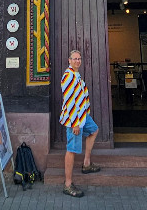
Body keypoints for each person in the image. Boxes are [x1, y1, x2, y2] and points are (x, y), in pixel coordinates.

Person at [59, 49, 101, 198]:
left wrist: (85, 114)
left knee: (94, 130)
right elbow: (69, 101)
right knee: (71, 149)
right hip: (74, 119)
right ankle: (68, 185)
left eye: (79, 59)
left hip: (83, 115)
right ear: (69, 60)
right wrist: (75, 123)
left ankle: (87, 163)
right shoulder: (68, 76)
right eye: (74, 59)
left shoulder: (76, 75)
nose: (77, 61)